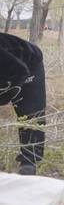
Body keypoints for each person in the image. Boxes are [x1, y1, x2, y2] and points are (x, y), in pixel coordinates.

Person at [0, 33, 47, 176]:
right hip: (8, 70)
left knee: (30, 114)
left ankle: (29, 161)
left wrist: (4, 95)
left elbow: (19, 71)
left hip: (28, 65)